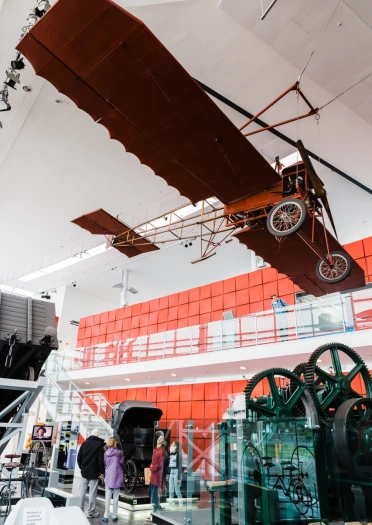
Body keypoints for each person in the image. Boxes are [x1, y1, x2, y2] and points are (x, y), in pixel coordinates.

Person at [77, 428, 105, 519]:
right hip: (94, 472)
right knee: (93, 492)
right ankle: (91, 511)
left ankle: (80, 509)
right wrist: (101, 471)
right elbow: (100, 460)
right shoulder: (99, 445)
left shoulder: (84, 443)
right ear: (97, 435)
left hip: (84, 471)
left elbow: (79, 457)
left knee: (82, 491)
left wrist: (82, 467)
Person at [102, 437, 124, 523]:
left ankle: (106, 516)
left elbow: (105, 464)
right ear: (115, 444)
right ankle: (114, 515)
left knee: (107, 498)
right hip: (117, 477)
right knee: (115, 498)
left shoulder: (106, 453)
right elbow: (122, 463)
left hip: (108, 477)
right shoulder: (119, 453)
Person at [147, 435, 167, 519]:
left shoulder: (162, 451)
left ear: (163, 442)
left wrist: (152, 467)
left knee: (154, 493)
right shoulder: (155, 450)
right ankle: (157, 508)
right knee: (151, 492)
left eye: (161, 438)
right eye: (159, 437)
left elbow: (160, 464)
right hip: (153, 474)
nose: (159, 438)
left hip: (157, 474)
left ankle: (155, 512)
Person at [168, 441, 183, 507]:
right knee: (171, 490)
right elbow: (169, 465)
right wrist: (168, 475)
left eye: (173, 444)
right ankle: (170, 504)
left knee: (177, 490)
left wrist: (179, 478)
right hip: (172, 471)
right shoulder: (171, 454)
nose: (171, 445)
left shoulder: (179, 455)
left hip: (177, 472)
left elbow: (180, 467)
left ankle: (181, 504)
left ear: (176, 447)